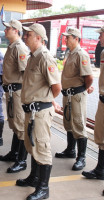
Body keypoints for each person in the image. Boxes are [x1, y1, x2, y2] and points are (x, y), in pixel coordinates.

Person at [16, 23, 61, 200]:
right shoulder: (32, 57)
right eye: (25, 34)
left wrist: (47, 101)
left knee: (42, 148)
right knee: (32, 145)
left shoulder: (45, 57)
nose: (25, 36)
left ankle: (43, 188)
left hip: (40, 112)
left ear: (39, 38)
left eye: (29, 34)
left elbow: (56, 87)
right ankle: (34, 178)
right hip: (31, 111)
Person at [55, 28, 93, 171]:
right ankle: (70, 150)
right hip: (68, 95)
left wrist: (83, 88)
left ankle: (81, 157)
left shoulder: (81, 54)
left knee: (78, 124)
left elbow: (88, 77)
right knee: (68, 122)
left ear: (76, 38)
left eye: (68, 37)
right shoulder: (70, 53)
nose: (65, 40)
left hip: (76, 95)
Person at [0, 19, 29, 173]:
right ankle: (14, 153)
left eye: (8, 28)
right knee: (14, 124)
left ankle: (21, 160)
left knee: (20, 125)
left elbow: (26, 74)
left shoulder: (20, 48)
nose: (5, 31)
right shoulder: (11, 47)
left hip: (17, 92)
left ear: (16, 30)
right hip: (11, 91)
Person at [82, 26, 104, 193]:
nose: (99, 38)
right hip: (103, 100)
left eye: (101, 34)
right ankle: (100, 169)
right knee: (100, 136)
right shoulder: (103, 53)